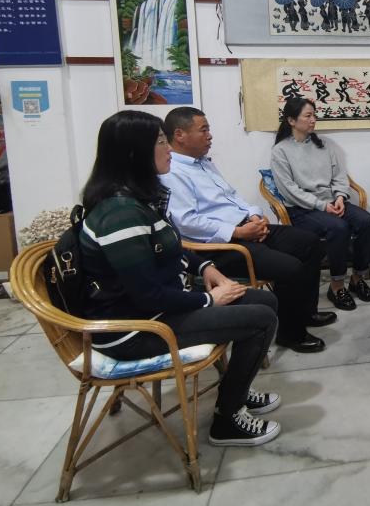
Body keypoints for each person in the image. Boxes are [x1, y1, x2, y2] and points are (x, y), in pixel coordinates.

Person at [78, 111, 282, 446]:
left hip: (155, 310)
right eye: (161, 142)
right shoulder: (120, 215)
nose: (169, 149)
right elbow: (148, 295)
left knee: (264, 299)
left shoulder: (138, 200)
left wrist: (207, 269)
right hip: (135, 329)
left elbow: (172, 247)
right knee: (260, 319)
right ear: (135, 154)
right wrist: (208, 299)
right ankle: (227, 421)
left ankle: (237, 390)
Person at [160, 107, 334, 354]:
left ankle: (306, 313)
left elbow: (233, 197)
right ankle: (290, 334)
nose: (210, 136)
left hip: (246, 228)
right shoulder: (173, 172)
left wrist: (254, 215)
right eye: (204, 130)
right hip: (219, 246)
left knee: (310, 243)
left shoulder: (204, 164)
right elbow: (187, 222)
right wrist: (237, 232)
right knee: (291, 268)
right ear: (180, 134)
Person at [271, 97, 370, 312]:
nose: (313, 120)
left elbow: (339, 176)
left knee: (367, 222)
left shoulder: (324, 145)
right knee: (339, 228)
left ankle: (357, 278)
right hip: (302, 209)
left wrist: (340, 197)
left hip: (332, 202)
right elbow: (289, 189)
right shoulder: (280, 151)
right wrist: (321, 205)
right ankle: (336, 286)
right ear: (291, 120)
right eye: (308, 116)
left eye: (314, 115)